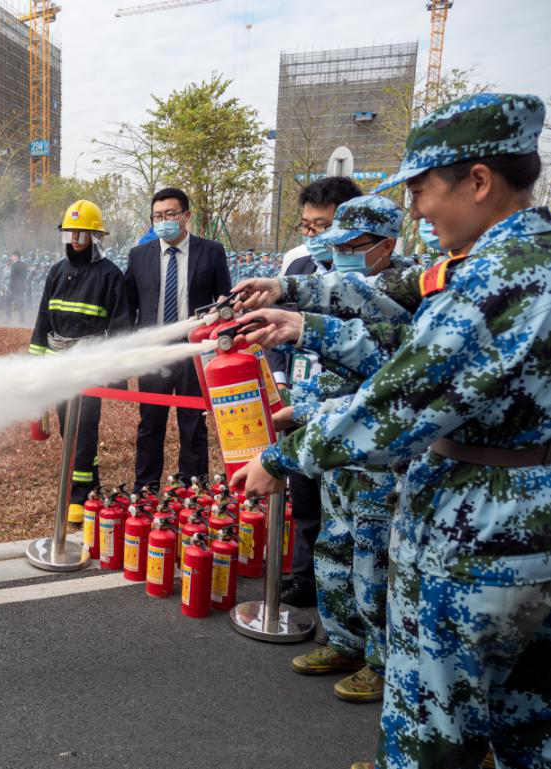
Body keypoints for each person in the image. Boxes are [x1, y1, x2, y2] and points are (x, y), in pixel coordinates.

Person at [230, 93, 550, 769]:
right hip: (520, 528)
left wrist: (282, 457)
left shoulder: (496, 279)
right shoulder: (526, 260)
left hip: (477, 537)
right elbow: (407, 341)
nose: (416, 209)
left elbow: (400, 402)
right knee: (526, 728)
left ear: (478, 180)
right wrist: (302, 316)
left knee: (433, 727)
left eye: (421, 189)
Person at [274, 195, 411, 706]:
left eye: (352, 247)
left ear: (386, 245)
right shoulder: (341, 291)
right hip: (336, 456)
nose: (339, 256)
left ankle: (381, 662)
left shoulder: (405, 296)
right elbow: (327, 364)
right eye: (337, 247)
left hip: (377, 460)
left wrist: (307, 413)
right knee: (334, 551)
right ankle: (345, 642)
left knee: (374, 565)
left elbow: (385, 382)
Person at [269, 175, 364, 609]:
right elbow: (277, 331)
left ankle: (347, 604)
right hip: (299, 401)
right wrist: (281, 380)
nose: (312, 236)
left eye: (322, 226)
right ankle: (305, 579)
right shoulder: (297, 269)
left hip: (348, 412)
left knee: (346, 511)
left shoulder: (370, 276)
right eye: (306, 226)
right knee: (304, 498)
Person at [30, 200, 130, 523]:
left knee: (84, 427)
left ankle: (78, 496)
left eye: (82, 233)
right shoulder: (56, 272)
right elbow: (43, 319)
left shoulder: (110, 275)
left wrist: (115, 372)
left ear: (95, 236)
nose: (75, 238)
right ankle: (92, 482)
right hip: (59, 363)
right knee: (67, 428)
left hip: (89, 365)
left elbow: (120, 326)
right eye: (70, 232)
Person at [124, 187, 231, 489]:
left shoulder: (210, 251)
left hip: (193, 350)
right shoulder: (139, 255)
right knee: (150, 423)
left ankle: (193, 488)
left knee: (193, 423)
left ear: (186, 216)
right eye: (157, 216)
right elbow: (129, 305)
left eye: (170, 214)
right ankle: (145, 488)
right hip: (154, 352)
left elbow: (224, 297)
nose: (163, 221)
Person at [7, 251, 29, 324]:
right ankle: (21, 319)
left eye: (12, 256)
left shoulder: (14, 265)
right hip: (21, 287)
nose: (11, 257)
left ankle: (9, 318)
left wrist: (10, 287)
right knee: (20, 303)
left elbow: (12, 277)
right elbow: (25, 276)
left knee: (7, 301)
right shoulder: (23, 265)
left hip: (14, 287)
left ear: (16, 256)